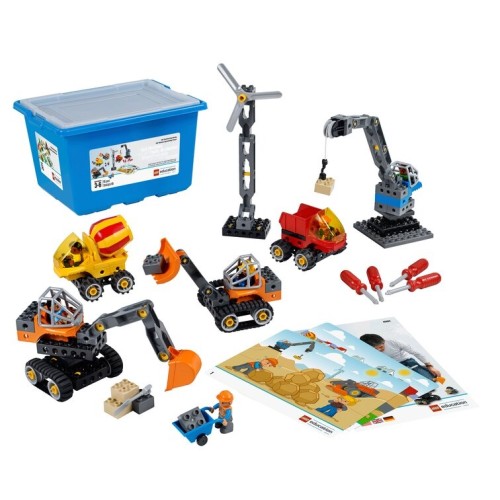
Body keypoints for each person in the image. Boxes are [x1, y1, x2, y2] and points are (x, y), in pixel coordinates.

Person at [359, 333, 441, 381]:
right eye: (375, 349)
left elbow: (415, 353)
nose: (379, 350)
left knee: (429, 380)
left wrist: (430, 366)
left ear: (383, 342)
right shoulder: (367, 351)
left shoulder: (393, 342)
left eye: (380, 347)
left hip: (407, 361)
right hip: (392, 366)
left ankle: (422, 368)